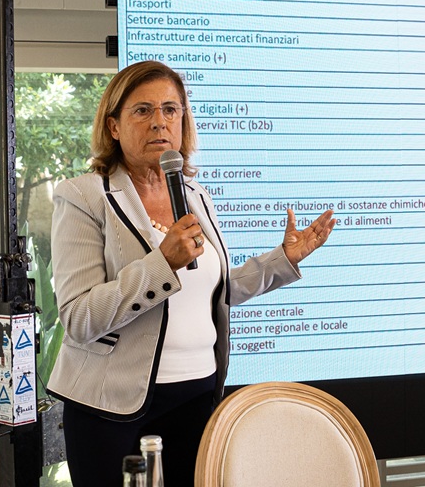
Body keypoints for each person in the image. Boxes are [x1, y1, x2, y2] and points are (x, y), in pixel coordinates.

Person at [47, 60, 336, 486]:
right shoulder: (83, 197)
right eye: (142, 110)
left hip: (197, 395)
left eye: (171, 109)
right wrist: (162, 263)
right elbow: (78, 317)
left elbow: (211, 289)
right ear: (113, 126)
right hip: (111, 405)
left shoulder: (194, 194)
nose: (159, 122)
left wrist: (283, 259)